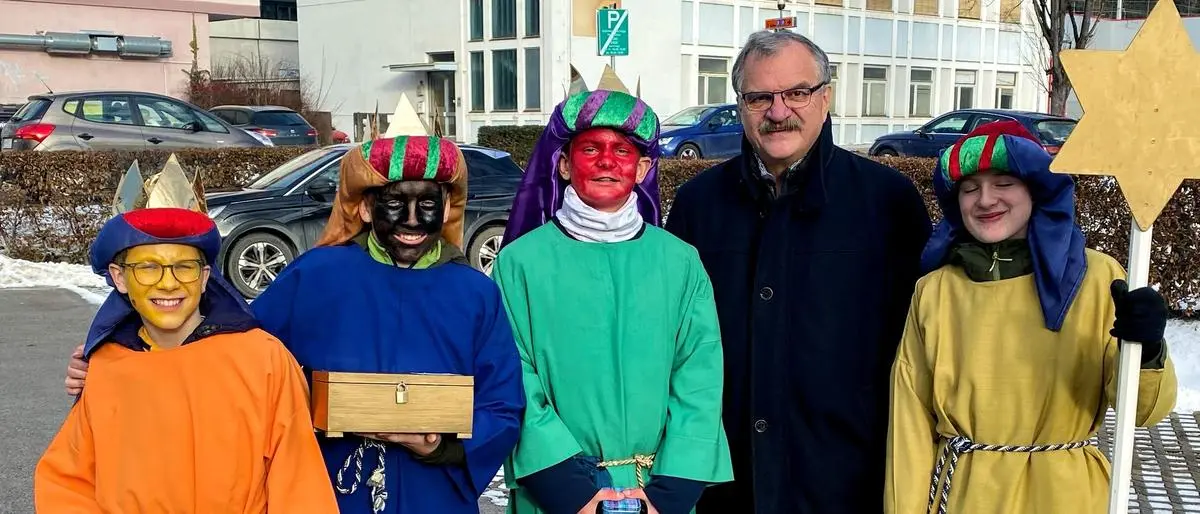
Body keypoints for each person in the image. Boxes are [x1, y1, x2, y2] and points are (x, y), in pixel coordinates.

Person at [60, 136, 526, 514]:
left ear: (446, 209)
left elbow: (503, 403)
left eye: (427, 204)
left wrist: (436, 445)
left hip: (436, 497)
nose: (410, 219)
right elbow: (227, 344)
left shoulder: (475, 293)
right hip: (328, 487)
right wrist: (119, 356)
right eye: (392, 202)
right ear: (363, 208)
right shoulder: (316, 275)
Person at [663, 30, 933, 513]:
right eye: (760, 97)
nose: (778, 110)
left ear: (825, 97)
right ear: (740, 104)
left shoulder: (887, 202)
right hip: (726, 487)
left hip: (844, 484)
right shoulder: (697, 206)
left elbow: (934, 334)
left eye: (796, 93)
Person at [884, 120, 1178, 514]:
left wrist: (1146, 349)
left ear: (1035, 189)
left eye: (1004, 183)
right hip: (964, 496)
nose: (985, 199)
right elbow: (910, 421)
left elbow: (1143, 411)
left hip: (1065, 496)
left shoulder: (1098, 279)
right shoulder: (935, 291)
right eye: (970, 188)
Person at [495, 67, 734, 514]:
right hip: (556, 494)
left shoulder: (680, 262)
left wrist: (669, 492)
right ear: (564, 163)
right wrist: (571, 490)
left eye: (622, 150)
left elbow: (699, 376)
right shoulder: (520, 263)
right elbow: (514, 375)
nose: (607, 161)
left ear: (643, 167)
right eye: (591, 148)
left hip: (657, 492)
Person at [37, 160, 337, 512]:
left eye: (184, 266)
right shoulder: (106, 366)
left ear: (206, 275)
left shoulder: (262, 360)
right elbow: (69, 481)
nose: (168, 282)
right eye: (148, 267)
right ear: (119, 278)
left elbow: (297, 478)